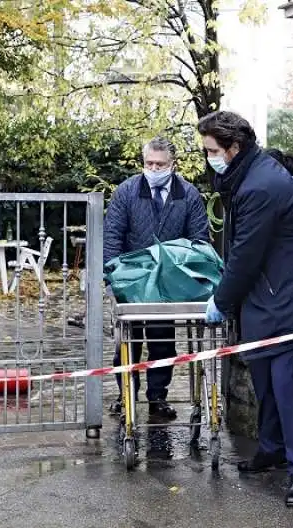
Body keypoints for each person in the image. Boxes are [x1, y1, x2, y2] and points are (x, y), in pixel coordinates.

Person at [199, 111, 293, 507]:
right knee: (263, 374)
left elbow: (246, 254)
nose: (207, 156)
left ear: (234, 147)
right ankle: (272, 448)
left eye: (212, 150)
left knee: (285, 382)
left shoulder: (260, 185)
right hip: (270, 297)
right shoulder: (245, 175)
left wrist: (222, 301)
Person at [103, 136, 209, 419]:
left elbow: (199, 240)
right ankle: (126, 394)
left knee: (163, 342)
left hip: (168, 282)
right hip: (131, 279)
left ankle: (157, 397)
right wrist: (111, 280)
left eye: (160, 164)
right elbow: (112, 236)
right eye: (149, 163)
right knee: (127, 342)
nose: (154, 168)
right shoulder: (126, 192)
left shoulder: (188, 195)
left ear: (172, 165)